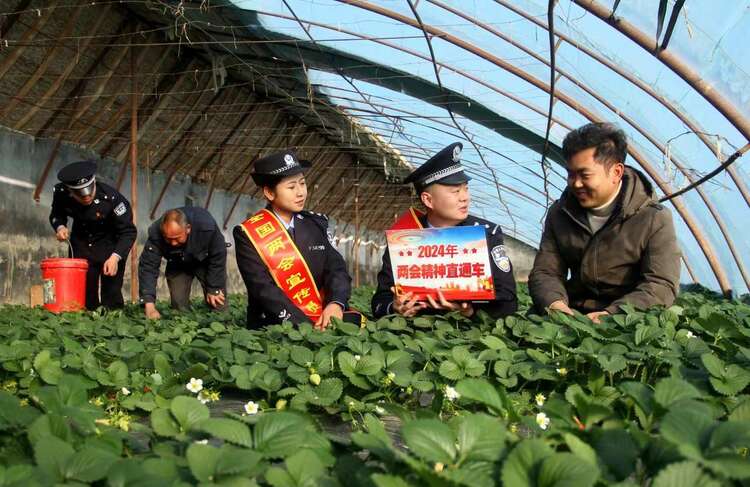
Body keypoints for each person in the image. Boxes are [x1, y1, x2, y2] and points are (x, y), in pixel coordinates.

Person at [528, 123, 681, 322]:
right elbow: (545, 270)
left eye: (585, 175)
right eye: (571, 174)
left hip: (627, 318)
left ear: (616, 172)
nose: (576, 183)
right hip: (573, 314)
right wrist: (554, 304)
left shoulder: (652, 218)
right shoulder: (560, 213)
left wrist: (613, 315)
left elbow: (660, 283)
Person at [371, 142, 518, 319]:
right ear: (428, 200)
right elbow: (380, 300)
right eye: (455, 191)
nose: (465, 198)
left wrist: (470, 311)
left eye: (466, 189)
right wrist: (395, 308)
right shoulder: (404, 240)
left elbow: (509, 302)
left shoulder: (486, 234)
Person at [233, 150, 361, 330]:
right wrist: (304, 326)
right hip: (275, 327)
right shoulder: (248, 233)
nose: (300, 192)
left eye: (303, 183)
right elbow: (263, 289)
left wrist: (335, 304)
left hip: (324, 319)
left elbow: (336, 269)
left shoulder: (317, 224)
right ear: (269, 192)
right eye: (291, 187)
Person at [49, 160, 137, 310]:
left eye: (89, 190)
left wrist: (116, 257)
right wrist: (60, 227)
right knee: (84, 290)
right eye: (80, 194)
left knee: (111, 291)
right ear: (70, 190)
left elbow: (128, 232)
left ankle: (111, 321)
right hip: (81, 243)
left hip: (110, 245)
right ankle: (86, 320)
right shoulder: (61, 193)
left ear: (94, 182)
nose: (87, 196)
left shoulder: (112, 199)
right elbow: (57, 214)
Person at [138, 207, 228, 319]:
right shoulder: (156, 233)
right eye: (168, 239)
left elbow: (218, 254)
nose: (173, 243)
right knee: (179, 305)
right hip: (177, 263)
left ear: (188, 228)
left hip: (205, 261)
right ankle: (185, 327)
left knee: (217, 300)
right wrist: (149, 305)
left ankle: (222, 327)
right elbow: (148, 267)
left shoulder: (206, 225)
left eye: (177, 238)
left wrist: (214, 287)